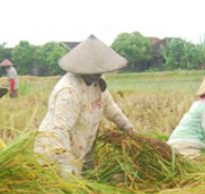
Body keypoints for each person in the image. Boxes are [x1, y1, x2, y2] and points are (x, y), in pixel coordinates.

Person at [34, 34, 135, 177]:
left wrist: (127, 127)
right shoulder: (69, 91)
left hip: (80, 147)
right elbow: (59, 132)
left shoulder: (97, 80)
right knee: (67, 193)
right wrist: (67, 170)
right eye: (92, 71)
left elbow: (109, 107)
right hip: (55, 154)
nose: (97, 74)